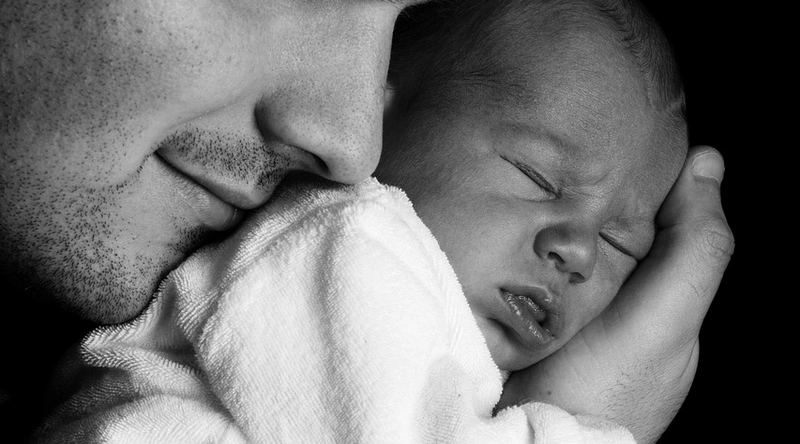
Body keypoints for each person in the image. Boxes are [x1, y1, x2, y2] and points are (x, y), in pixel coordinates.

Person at [27, 1, 734, 443]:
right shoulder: (347, 247)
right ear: (398, 112)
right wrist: (592, 426)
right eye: (537, 177)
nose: (579, 250)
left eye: (620, 244)